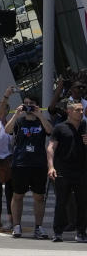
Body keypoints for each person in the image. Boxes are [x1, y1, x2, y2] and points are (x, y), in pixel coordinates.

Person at [5, 94, 53, 239]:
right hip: (20, 163)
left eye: (31, 104)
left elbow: (50, 131)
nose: (28, 106)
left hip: (38, 163)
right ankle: (16, 226)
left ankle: (38, 227)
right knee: (18, 195)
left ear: (37, 105)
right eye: (26, 104)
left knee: (39, 196)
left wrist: (40, 115)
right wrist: (16, 115)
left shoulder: (42, 121)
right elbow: (7, 130)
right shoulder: (19, 121)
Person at [47, 100, 87, 242]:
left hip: (82, 170)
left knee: (82, 202)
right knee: (61, 201)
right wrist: (51, 167)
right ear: (69, 111)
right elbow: (51, 147)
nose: (81, 112)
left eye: (82, 110)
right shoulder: (60, 128)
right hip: (63, 170)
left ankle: (81, 232)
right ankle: (57, 232)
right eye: (78, 110)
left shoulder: (85, 126)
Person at [0, 87, 15, 231]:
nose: (1, 110)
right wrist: (5, 96)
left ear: (8, 111)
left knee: (10, 193)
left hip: (8, 161)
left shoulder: (12, 125)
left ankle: (11, 221)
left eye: (4, 107)